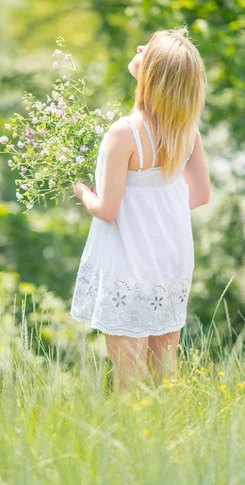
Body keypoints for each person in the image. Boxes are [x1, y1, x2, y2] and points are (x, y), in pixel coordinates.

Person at [71, 26, 211, 392]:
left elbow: (107, 210)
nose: (137, 46)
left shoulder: (124, 132)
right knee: (165, 378)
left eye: (145, 47)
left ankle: (138, 445)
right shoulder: (186, 129)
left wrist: (83, 191)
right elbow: (200, 195)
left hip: (130, 263)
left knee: (130, 387)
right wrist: (158, 210)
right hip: (171, 261)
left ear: (152, 72)